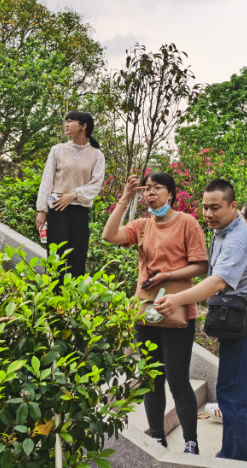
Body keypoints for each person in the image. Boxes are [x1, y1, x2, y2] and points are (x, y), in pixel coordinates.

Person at [155, 179, 247, 462]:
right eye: (204, 207)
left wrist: (178, 299)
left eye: (215, 207)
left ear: (233, 206)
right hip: (238, 324)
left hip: (246, 329)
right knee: (246, 389)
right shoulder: (222, 231)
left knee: (231, 395)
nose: (208, 213)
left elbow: (217, 282)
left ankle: (233, 458)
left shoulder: (238, 237)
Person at [102, 172, 208, 455]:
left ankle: (190, 441)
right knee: (151, 377)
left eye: (157, 188)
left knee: (177, 378)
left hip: (179, 311)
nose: (151, 193)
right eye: (147, 189)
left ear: (171, 193)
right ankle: (158, 436)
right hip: (146, 311)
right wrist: (124, 198)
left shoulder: (187, 223)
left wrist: (167, 275)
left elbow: (200, 266)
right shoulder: (143, 225)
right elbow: (109, 235)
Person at [35, 111, 105, 277]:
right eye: (66, 121)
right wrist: (42, 210)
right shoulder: (57, 150)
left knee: (78, 257)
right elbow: (47, 180)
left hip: (80, 210)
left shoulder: (97, 155)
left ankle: (73, 301)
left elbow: (96, 185)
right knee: (56, 257)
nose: (66, 124)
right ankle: (54, 301)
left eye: (71, 121)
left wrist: (73, 195)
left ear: (83, 126)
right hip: (57, 209)